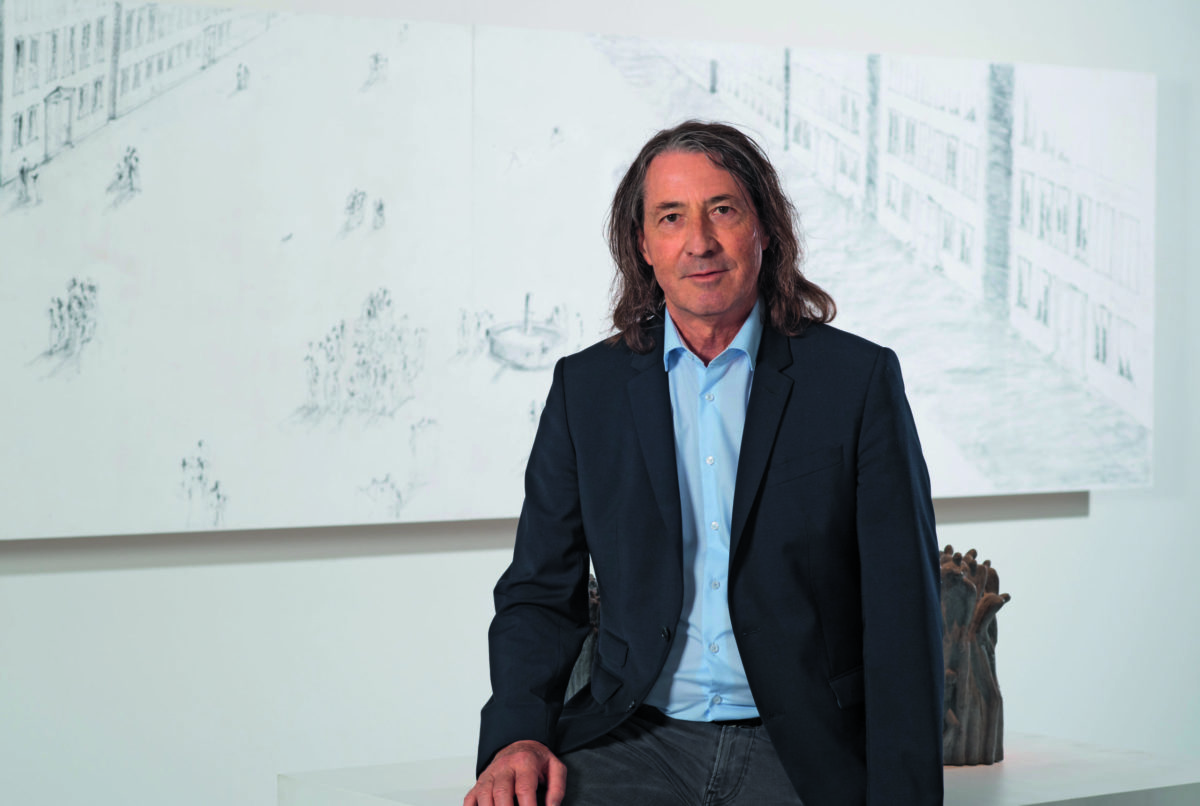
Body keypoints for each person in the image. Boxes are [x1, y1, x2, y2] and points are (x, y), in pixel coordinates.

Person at [467, 120, 943, 806]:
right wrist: (517, 737)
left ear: (764, 227)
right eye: (671, 217)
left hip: (802, 749)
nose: (700, 242)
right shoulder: (586, 390)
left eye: (723, 210)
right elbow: (539, 592)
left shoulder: (856, 382)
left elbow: (902, 612)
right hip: (637, 738)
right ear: (643, 245)